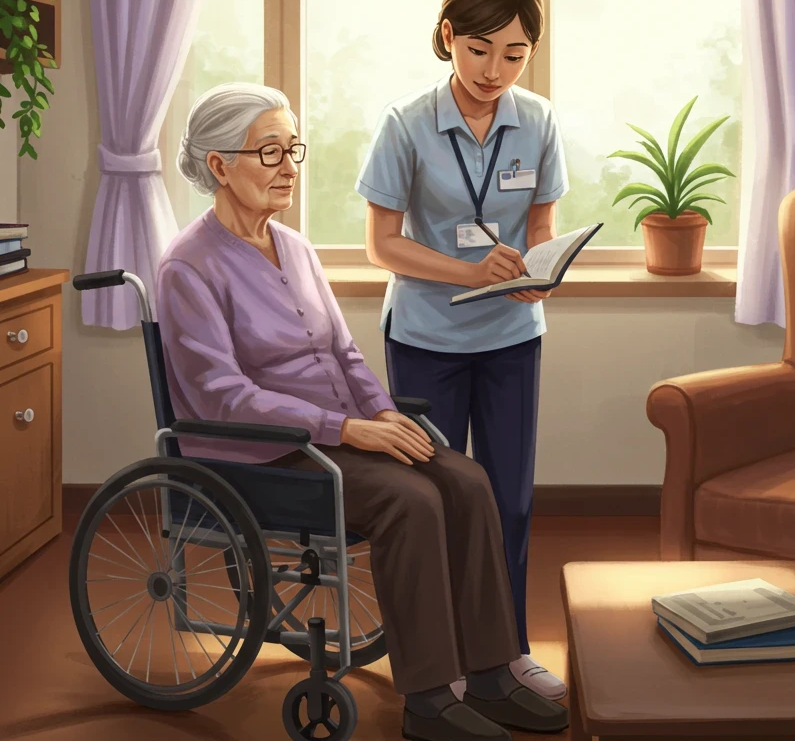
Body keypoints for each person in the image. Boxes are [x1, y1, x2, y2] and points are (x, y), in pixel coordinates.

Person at [155, 82, 569, 741]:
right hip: (261, 457)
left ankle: (491, 670)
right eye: (269, 152)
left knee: (464, 478)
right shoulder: (188, 267)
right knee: (412, 500)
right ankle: (431, 698)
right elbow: (223, 397)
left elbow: (344, 354)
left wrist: (383, 414)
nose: (289, 166)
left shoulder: (295, 247)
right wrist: (348, 428)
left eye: (292, 149)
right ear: (218, 165)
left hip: (337, 438)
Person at [357, 0, 569, 701]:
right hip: (426, 342)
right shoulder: (406, 124)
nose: (493, 70)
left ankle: (504, 654)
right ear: (448, 37)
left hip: (513, 337)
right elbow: (382, 245)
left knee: (507, 500)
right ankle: (437, 665)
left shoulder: (538, 121)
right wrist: (467, 272)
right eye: (479, 49)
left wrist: (537, 269)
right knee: (434, 504)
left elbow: (539, 222)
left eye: (514, 54)